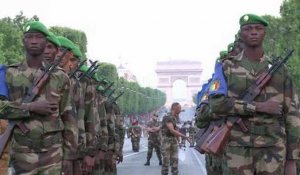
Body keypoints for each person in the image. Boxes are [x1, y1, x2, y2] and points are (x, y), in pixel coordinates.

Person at [209, 14, 300, 175]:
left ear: (264, 32)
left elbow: (292, 115)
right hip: (237, 151)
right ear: (240, 34)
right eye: (248, 29)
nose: (253, 32)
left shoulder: (280, 71)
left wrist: (292, 159)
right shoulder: (226, 68)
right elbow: (216, 104)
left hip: (272, 149)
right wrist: (257, 106)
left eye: (258, 28)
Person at [1, 21, 77, 174]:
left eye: (39, 37)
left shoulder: (60, 78)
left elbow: (69, 119)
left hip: (53, 154)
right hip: (22, 154)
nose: (34, 41)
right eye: (30, 37)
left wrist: (69, 157)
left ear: (46, 41)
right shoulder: (9, 74)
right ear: (23, 41)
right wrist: (30, 107)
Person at [161, 102, 190, 175]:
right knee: (166, 161)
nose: (180, 110)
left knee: (175, 161)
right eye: (179, 108)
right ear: (174, 108)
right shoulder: (167, 117)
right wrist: (184, 136)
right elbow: (172, 130)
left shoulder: (175, 118)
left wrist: (179, 142)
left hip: (173, 141)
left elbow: (176, 130)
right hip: (166, 141)